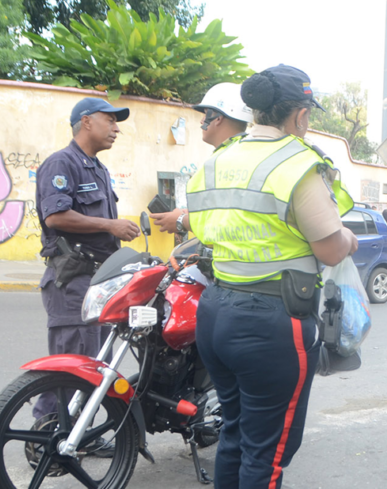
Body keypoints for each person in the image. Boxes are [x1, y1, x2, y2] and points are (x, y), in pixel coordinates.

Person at [185, 65, 358, 489]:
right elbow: (330, 247)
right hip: (270, 324)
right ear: (299, 115)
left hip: (214, 313)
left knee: (235, 434)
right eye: (308, 115)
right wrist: (350, 240)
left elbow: (201, 229)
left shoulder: (220, 158)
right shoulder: (297, 162)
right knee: (267, 454)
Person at [32, 98, 139, 427]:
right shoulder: (62, 164)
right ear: (87, 121)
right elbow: (55, 216)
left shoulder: (97, 168)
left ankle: (79, 434)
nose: (116, 128)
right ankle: (49, 432)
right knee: (70, 363)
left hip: (99, 283)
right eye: (110, 121)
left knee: (94, 363)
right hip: (74, 281)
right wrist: (110, 225)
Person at [150, 82, 253, 235]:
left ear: (218, 118)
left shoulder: (220, 162)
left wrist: (181, 221)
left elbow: (222, 220)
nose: (201, 120)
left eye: (205, 114)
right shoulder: (249, 153)